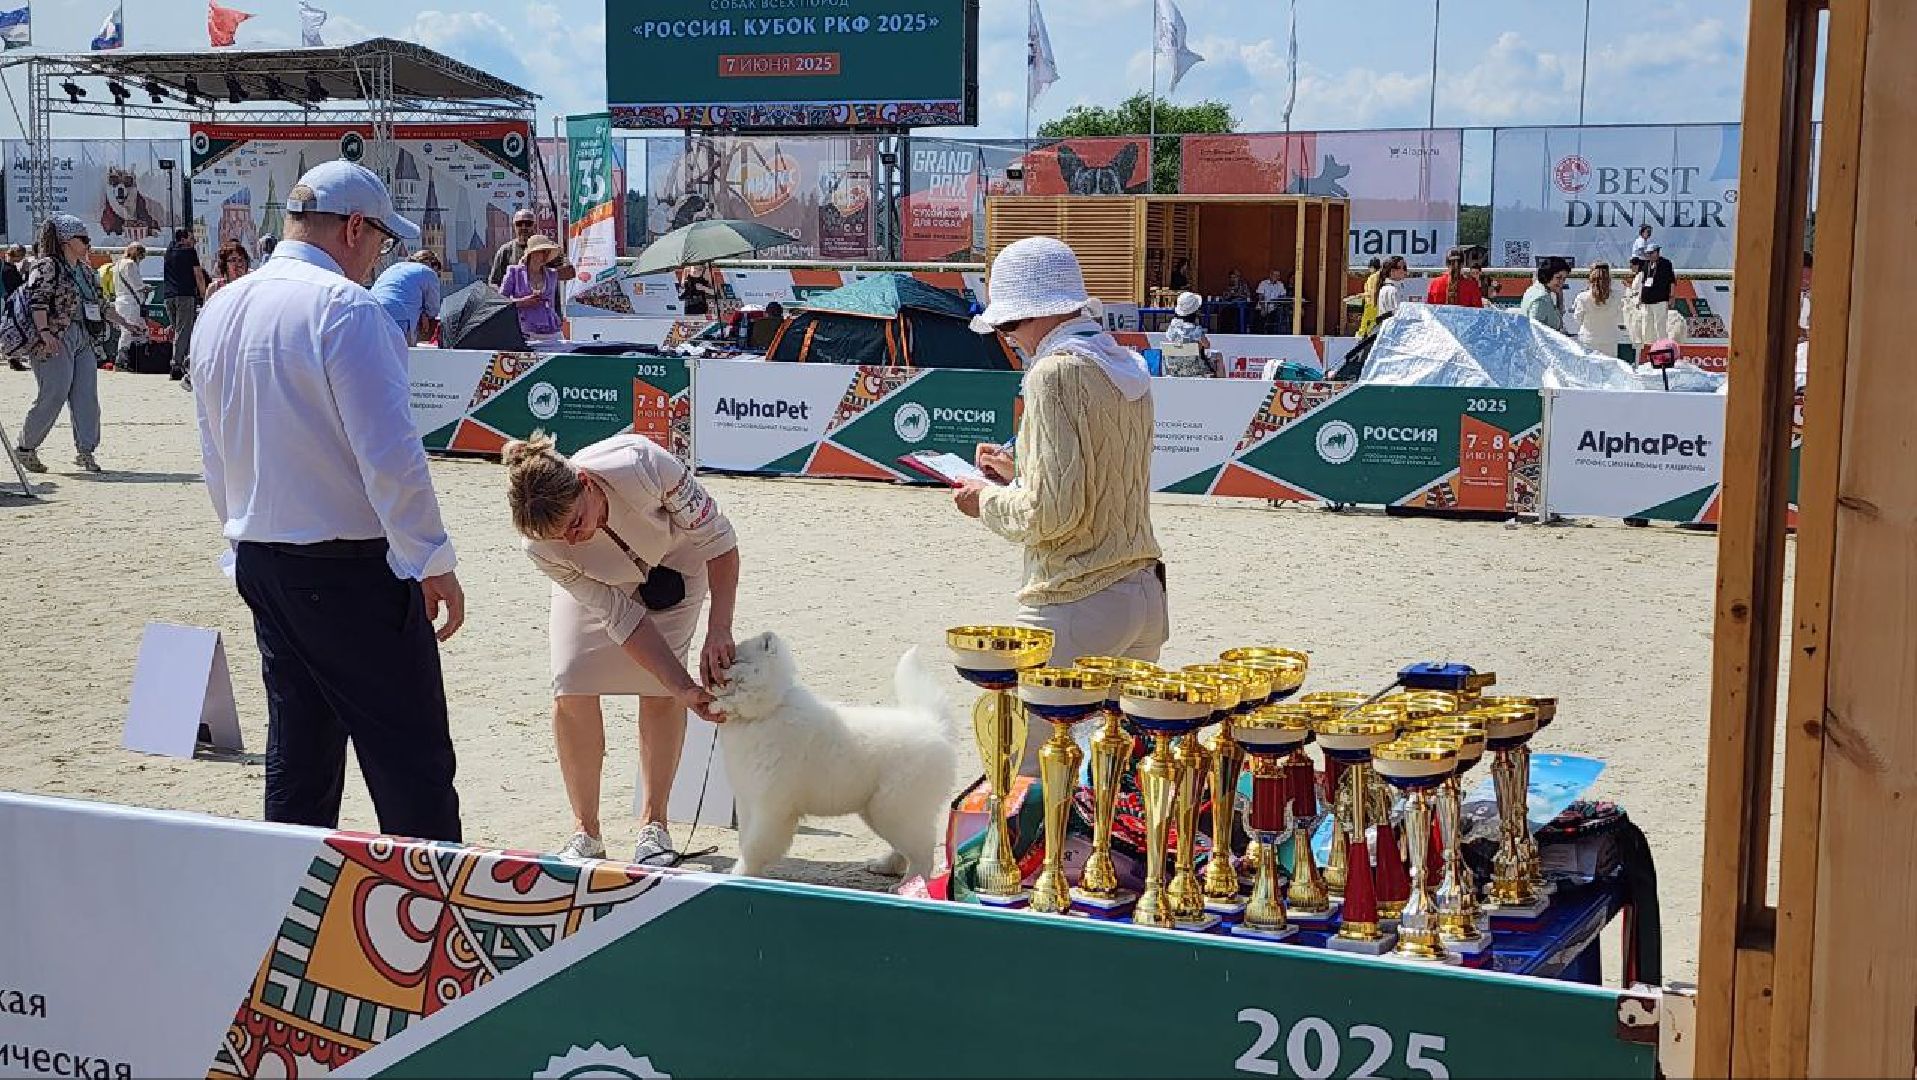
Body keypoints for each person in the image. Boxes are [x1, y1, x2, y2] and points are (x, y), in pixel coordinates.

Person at [191, 160, 466, 842]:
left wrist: (237, 542)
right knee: (410, 762)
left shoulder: (220, 306)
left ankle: (285, 894)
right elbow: (390, 456)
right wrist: (431, 558)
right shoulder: (349, 310)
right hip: (348, 569)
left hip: (263, 554)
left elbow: (213, 449)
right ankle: (426, 904)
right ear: (353, 228)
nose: (379, 257)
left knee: (300, 753)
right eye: (380, 240)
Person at [953, 236, 1167, 767]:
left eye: (1008, 324)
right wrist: (1020, 473)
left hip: (1075, 594)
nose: (1007, 337)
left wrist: (985, 500)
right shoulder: (1123, 363)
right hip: (1143, 589)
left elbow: (1050, 515)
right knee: (1116, 781)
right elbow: (1102, 479)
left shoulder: (1053, 373)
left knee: (1023, 773)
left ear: (1033, 313)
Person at [501, 431, 741, 864]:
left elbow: (719, 541)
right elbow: (622, 618)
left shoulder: (642, 463)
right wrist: (683, 685)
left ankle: (655, 827)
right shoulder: (543, 547)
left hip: (677, 563)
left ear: (586, 484)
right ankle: (585, 832)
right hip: (597, 583)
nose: (574, 539)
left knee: (661, 691)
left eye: (576, 523)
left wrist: (718, 629)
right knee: (571, 682)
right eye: (560, 536)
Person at [12, 215, 145, 474]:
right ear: (66, 241)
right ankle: (26, 446)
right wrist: (45, 333)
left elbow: (101, 304)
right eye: (82, 238)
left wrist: (126, 324)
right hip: (55, 337)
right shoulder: (47, 266)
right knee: (54, 393)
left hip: (83, 335)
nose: (88, 243)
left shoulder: (85, 270)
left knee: (86, 395)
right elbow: (38, 301)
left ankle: (86, 450)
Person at [371, 249, 444, 346]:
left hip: (372, 310)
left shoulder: (395, 267)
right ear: (434, 265)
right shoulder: (428, 272)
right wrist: (425, 314)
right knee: (400, 352)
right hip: (399, 314)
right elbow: (433, 309)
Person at [162, 228, 208, 383]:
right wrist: (204, 295)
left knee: (178, 331)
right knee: (184, 331)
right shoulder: (190, 252)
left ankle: (184, 362)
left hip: (168, 296)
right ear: (183, 239)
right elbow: (198, 275)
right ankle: (177, 365)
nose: (194, 241)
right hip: (185, 295)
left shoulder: (169, 251)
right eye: (191, 238)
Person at [501, 234, 566, 344]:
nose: (545, 255)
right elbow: (501, 302)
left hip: (552, 331)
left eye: (547, 252)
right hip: (525, 332)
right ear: (532, 253)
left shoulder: (552, 275)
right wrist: (522, 302)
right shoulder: (514, 272)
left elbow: (571, 272)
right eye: (542, 251)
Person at [490, 207, 574, 288]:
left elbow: (570, 272)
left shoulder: (548, 247)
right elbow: (494, 283)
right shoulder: (505, 251)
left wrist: (543, 274)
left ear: (534, 225)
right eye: (519, 224)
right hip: (515, 297)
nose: (523, 227)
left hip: (545, 296)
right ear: (514, 226)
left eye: (528, 223)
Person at [1572, 262, 1625, 358]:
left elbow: (1578, 319)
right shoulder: (1618, 296)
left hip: (1588, 340)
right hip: (1610, 340)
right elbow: (1621, 319)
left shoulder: (1582, 297)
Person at [111, 243, 150, 370]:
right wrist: (146, 288)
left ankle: (132, 359)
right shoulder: (130, 264)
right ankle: (122, 360)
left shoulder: (117, 264)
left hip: (120, 300)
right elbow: (137, 285)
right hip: (130, 303)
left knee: (139, 329)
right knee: (129, 331)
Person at [1162, 291, 1219, 377]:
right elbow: (1207, 345)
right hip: (1196, 370)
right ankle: (1223, 385)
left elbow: (1171, 341)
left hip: (1175, 370)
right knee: (1218, 356)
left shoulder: (1171, 329)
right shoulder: (1196, 330)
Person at [1636, 242, 1678, 350]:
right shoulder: (1646, 264)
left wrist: (1672, 296)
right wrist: (1640, 297)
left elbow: (1672, 281)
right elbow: (1643, 281)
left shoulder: (1666, 263)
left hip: (1660, 300)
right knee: (1647, 325)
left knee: (1660, 326)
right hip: (1647, 300)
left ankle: (1662, 348)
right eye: (1648, 253)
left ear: (1657, 252)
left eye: (1651, 253)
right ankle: (1648, 348)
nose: (1649, 255)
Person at [1521, 258, 1572, 334]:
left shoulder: (1535, 290)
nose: (1561, 282)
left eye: (1564, 279)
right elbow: (1534, 330)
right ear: (1547, 275)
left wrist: (1559, 296)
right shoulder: (1541, 299)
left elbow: (1557, 319)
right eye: (1558, 278)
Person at [1374, 256, 1409, 322]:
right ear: (1392, 271)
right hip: (1393, 326)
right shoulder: (1391, 289)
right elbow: (1397, 316)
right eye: (1403, 267)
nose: (1405, 271)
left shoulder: (1392, 287)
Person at [1357, 257, 1386, 336]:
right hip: (1377, 303)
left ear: (1372, 267)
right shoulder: (1381, 276)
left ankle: (1360, 337)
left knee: (1365, 322)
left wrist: (1360, 295)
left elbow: (1371, 292)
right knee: (1373, 322)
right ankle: (1369, 336)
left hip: (1371, 303)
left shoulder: (1373, 277)